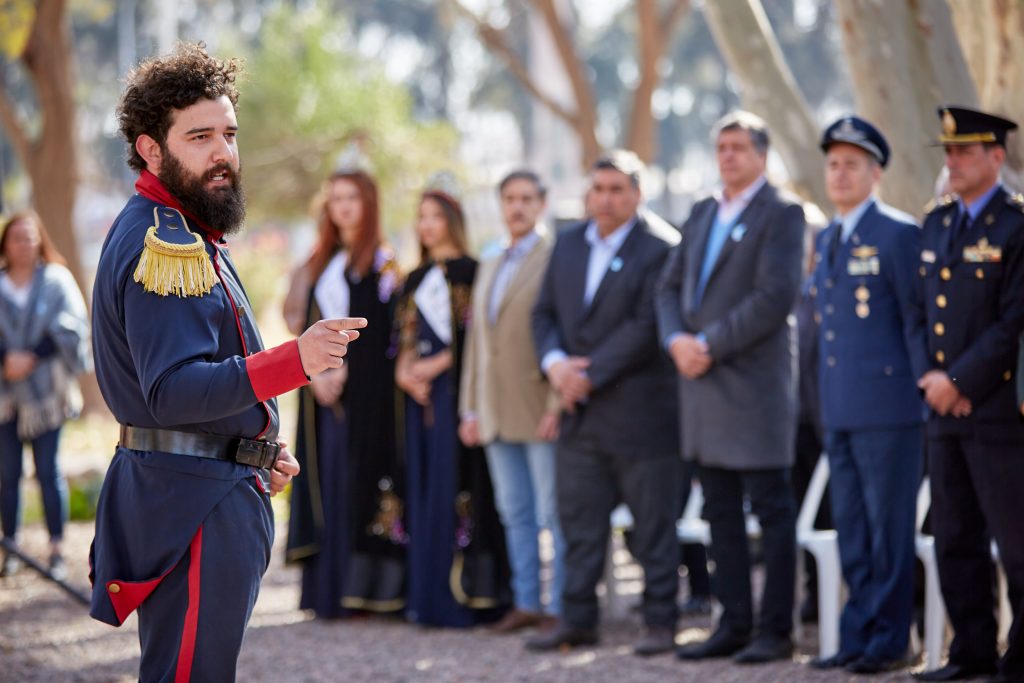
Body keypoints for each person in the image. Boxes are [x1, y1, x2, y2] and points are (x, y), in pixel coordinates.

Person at [88, 43, 366, 681]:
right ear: (150, 148)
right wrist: (296, 360)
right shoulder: (166, 240)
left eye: (229, 135)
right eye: (200, 136)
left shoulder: (186, 230)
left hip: (199, 487)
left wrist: (254, 446)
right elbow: (172, 391)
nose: (223, 153)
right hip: (196, 505)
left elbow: (203, 376)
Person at [656, 111, 804, 664]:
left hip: (753, 388)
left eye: (739, 147)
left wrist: (708, 343)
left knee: (771, 511)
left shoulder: (783, 212)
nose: (728, 156)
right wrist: (676, 340)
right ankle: (733, 623)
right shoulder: (702, 211)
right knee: (719, 511)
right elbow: (668, 287)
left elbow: (774, 297)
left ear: (762, 155)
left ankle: (776, 630)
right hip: (701, 389)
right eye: (721, 147)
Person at [527, 150, 681, 656]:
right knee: (579, 525)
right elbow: (543, 314)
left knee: (653, 527)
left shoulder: (661, 247)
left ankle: (661, 622)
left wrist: (586, 376)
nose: (606, 199)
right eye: (598, 189)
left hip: (641, 415)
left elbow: (647, 324)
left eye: (617, 190)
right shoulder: (569, 243)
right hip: (580, 417)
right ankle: (577, 620)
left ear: (637, 193)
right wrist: (556, 365)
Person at [808, 116, 927, 674]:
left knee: (888, 531)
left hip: (890, 409)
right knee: (852, 530)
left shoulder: (897, 233)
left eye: (852, 165)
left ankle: (891, 639)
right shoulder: (828, 237)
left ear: (876, 173)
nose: (839, 174)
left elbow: (915, 321)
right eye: (833, 164)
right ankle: (856, 634)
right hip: (839, 408)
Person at [913, 107, 1024, 683]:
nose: (952, 161)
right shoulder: (935, 223)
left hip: (997, 412)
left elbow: (1013, 322)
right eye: (948, 152)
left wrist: (959, 383)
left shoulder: (1016, 225)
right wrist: (932, 382)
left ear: (996, 157)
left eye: (964, 151)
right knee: (955, 538)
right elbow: (916, 314)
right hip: (942, 412)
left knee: (1017, 543)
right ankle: (971, 652)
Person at [285, 168, 403, 618]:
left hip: (367, 398)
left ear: (369, 203)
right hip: (322, 393)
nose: (345, 207)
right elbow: (299, 322)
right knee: (326, 481)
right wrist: (317, 375)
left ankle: (367, 591)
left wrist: (348, 371)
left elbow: (388, 337)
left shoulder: (383, 264)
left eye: (353, 197)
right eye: (336, 198)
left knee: (360, 481)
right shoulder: (321, 262)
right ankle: (328, 591)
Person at [395, 176, 510, 627]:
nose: (427, 225)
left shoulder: (472, 272)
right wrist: (407, 373)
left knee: (456, 482)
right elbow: (402, 338)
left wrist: (435, 366)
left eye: (436, 217)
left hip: (456, 394)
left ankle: (462, 595)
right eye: (421, 217)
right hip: (419, 399)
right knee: (423, 483)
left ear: (453, 222)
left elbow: (476, 340)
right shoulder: (413, 278)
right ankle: (424, 595)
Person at [458, 170, 565, 632]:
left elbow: (564, 332)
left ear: (541, 204)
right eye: (509, 199)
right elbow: (478, 344)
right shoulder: (491, 260)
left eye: (526, 198)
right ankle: (526, 602)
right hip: (494, 409)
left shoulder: (556, 258)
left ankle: (560, 607)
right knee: (514, 512)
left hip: (539, 406)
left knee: (552, 513)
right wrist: (470, 407)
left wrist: (557, 405)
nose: (517, 207)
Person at [0, 211, 91, 580]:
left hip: (49, 394)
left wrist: (31, 357)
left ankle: (56, 549)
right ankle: (12, 547)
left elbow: (73, 327)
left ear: (40, 239)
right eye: (16, 237)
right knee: (7, 472)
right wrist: (6, 359)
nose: (23, 244)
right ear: (5, 243)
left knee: (48, 470)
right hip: (5, 395)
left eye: (29, 236)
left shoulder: (56, 280)